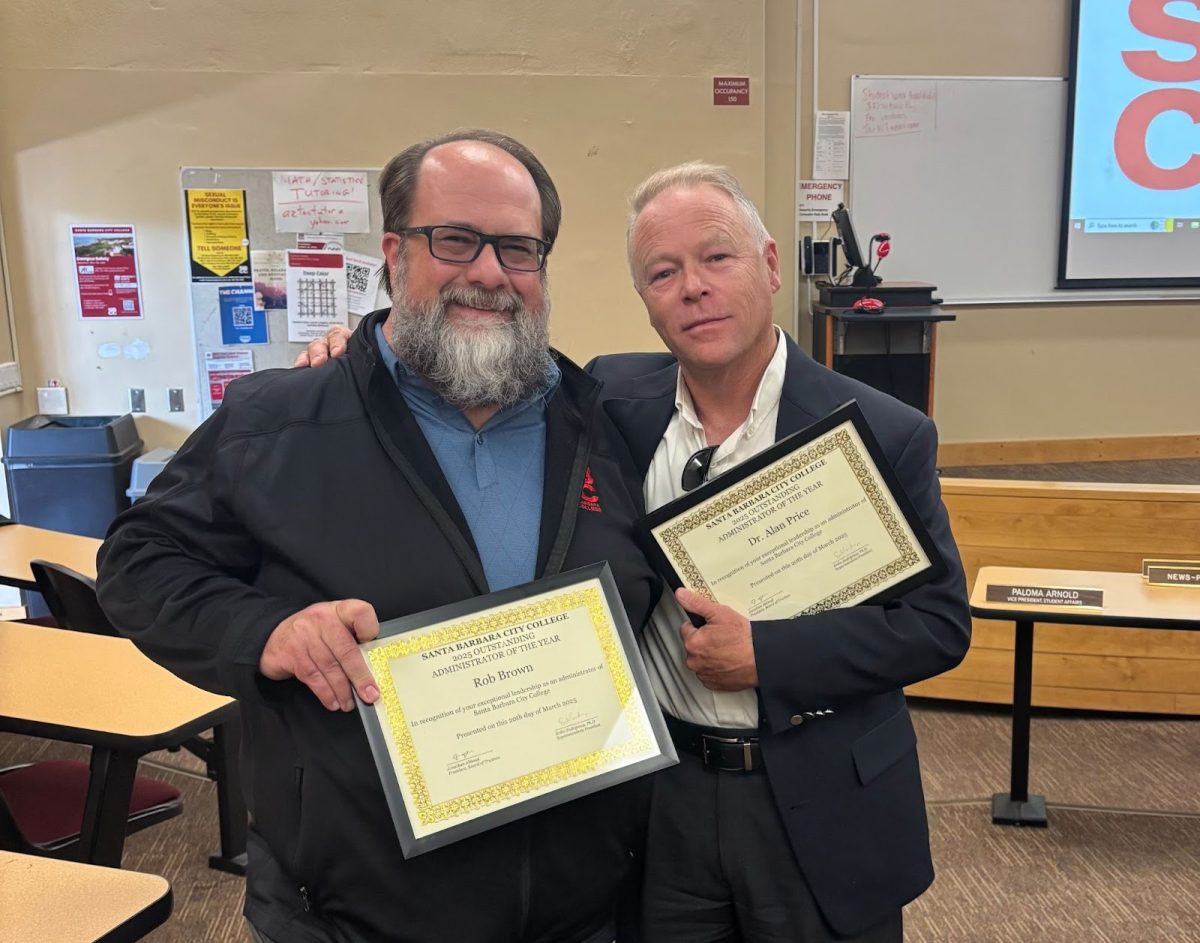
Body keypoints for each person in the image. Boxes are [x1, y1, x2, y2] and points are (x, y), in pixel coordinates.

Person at [299, 162, 971, 942]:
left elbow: (937, 625)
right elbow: (463, 364)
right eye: (662, 272)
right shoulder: (611, 401)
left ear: (768, 264)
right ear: (644, 299)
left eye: (716, 257)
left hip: (822, 803)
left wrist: (768, 654)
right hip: (663, 800)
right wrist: (359, 360)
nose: (693, 287)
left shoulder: (881, 432)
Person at [97, 130, 659, 943]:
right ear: (395, 254)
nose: (489, 272)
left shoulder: (606, 424)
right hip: (350, 913)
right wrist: (264, 631)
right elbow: (138, 562)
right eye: (455, 240)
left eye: (518, 248)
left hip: (579, 909)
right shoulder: (280, 420)